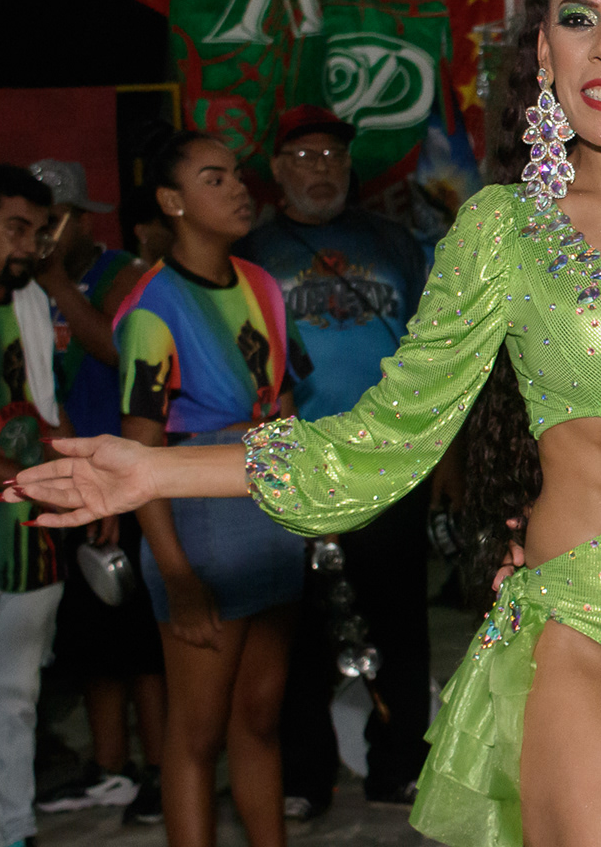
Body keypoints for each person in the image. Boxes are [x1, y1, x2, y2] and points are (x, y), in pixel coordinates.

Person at [7, 0, 601, 847]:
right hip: (596, 627)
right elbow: (387, 437)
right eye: (577, 21)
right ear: (543, 54)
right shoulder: (504, 232)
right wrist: (156, 469)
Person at [96, 130, 306, 847]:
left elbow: (284, 403)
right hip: (200, 525)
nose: (238, 188)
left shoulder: (262, 285)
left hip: (270, 511)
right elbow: (139, 458)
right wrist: (177, 575)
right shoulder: (153, 308)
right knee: (195, 736)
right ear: (171, 201)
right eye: (214, 179)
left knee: (260, 718)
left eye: (237, 175)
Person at [236, 106, 435, 817]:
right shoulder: (252, 253)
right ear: (277, 170)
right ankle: (304, 775)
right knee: (302, 627)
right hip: (298, 459)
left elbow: (433, 347)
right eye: (305, 156)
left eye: (333, 156)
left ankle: (398, 766)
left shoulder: (395, 243)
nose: (321, 169)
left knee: (398, 619)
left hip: (390, 461)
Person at [24, 159, 165, 824]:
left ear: (82, 218)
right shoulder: (17, 281)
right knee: (90, 636)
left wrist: (56, 280)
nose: (43, 235)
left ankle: (161, 768)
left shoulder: (124, 275)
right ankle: (112, 767)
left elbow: (120, 351)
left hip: (127, 475)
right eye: (33, 223)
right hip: (64, 475)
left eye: (54, 220)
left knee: (139, 638)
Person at [0, 164, 71, 847]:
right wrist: (37, 476)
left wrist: (83, 478)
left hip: (27, 533)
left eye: (39, 233)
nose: (30, 246)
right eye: (15, 228)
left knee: (18, 697)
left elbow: (48, 412)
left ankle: (14, 829)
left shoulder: (32, 304)